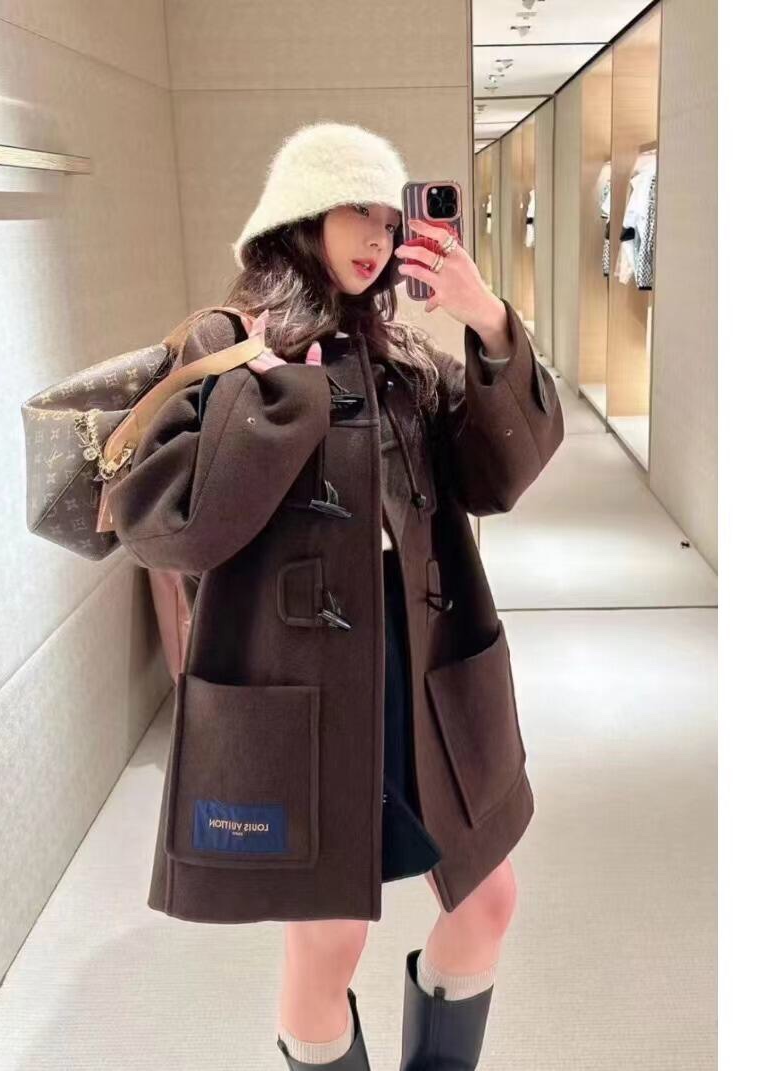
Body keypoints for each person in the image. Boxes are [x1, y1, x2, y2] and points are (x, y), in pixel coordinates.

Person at [108, 122, 564, 1071]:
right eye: (357, 210)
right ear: (302, 214)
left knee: (488, 898)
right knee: (329, 938)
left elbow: (498, 475)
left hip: (424, 668)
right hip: (303, 687)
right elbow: (164, 526)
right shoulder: (225, 342)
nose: (377, 235)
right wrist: (276, 403)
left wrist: (486, 321)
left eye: (390, 219)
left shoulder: (397, 355)